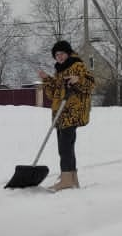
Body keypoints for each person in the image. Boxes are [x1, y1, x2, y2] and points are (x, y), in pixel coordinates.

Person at [37, 40, 96, 191]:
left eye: (62, 53)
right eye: (56, 55)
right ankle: (71, 178)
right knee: (67, 148)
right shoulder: (60, 70)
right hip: (61, 114)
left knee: (64, 148)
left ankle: (66, 179)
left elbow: (91, 84)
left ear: (68, 53)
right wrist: (46, 79)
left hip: (72, 111)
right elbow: (54, 93)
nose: (59, 57)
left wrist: (78, 80)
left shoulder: (77, 65)